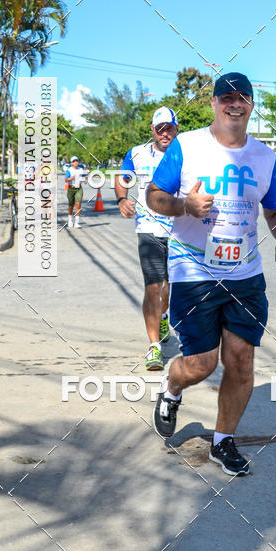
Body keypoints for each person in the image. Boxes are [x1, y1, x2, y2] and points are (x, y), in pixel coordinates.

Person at [147, 72, 276, 476]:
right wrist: (184, 207)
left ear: (251, 105)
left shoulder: (265, 157)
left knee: (241, 362)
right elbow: (154, 196)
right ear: (214, 104)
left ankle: (222, 442)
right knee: (199, 364)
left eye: (242, 97)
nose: (235, 103)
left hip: (245, 273)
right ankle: (172, 386)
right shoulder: (187, 145)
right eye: (226, 97)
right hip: (193, 267)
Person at [116, 106, 179, 370]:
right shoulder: (137, 153)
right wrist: (122, 198)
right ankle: (154, 346)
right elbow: (123, 178)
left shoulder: (187, 153)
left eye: (169, 128)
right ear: (152, 130)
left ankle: (163, 315)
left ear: (176, 129)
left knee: (168, 285)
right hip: (148, 229)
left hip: (179, 231)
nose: (165, 133)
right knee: (153, 286)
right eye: (160, 128)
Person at [65, 155, 87, 228]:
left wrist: (84, 180)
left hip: (79, 188)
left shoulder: (81, 169)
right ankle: (70, 220)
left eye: (76, 161)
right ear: (71, 163)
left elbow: (83, 177)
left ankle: (77, 222)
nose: (75, 162)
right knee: (71, 206)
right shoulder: (69, 170)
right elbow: (66, 180)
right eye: (74, 161)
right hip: (71, 188)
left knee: (78, 204)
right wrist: (73, 177)